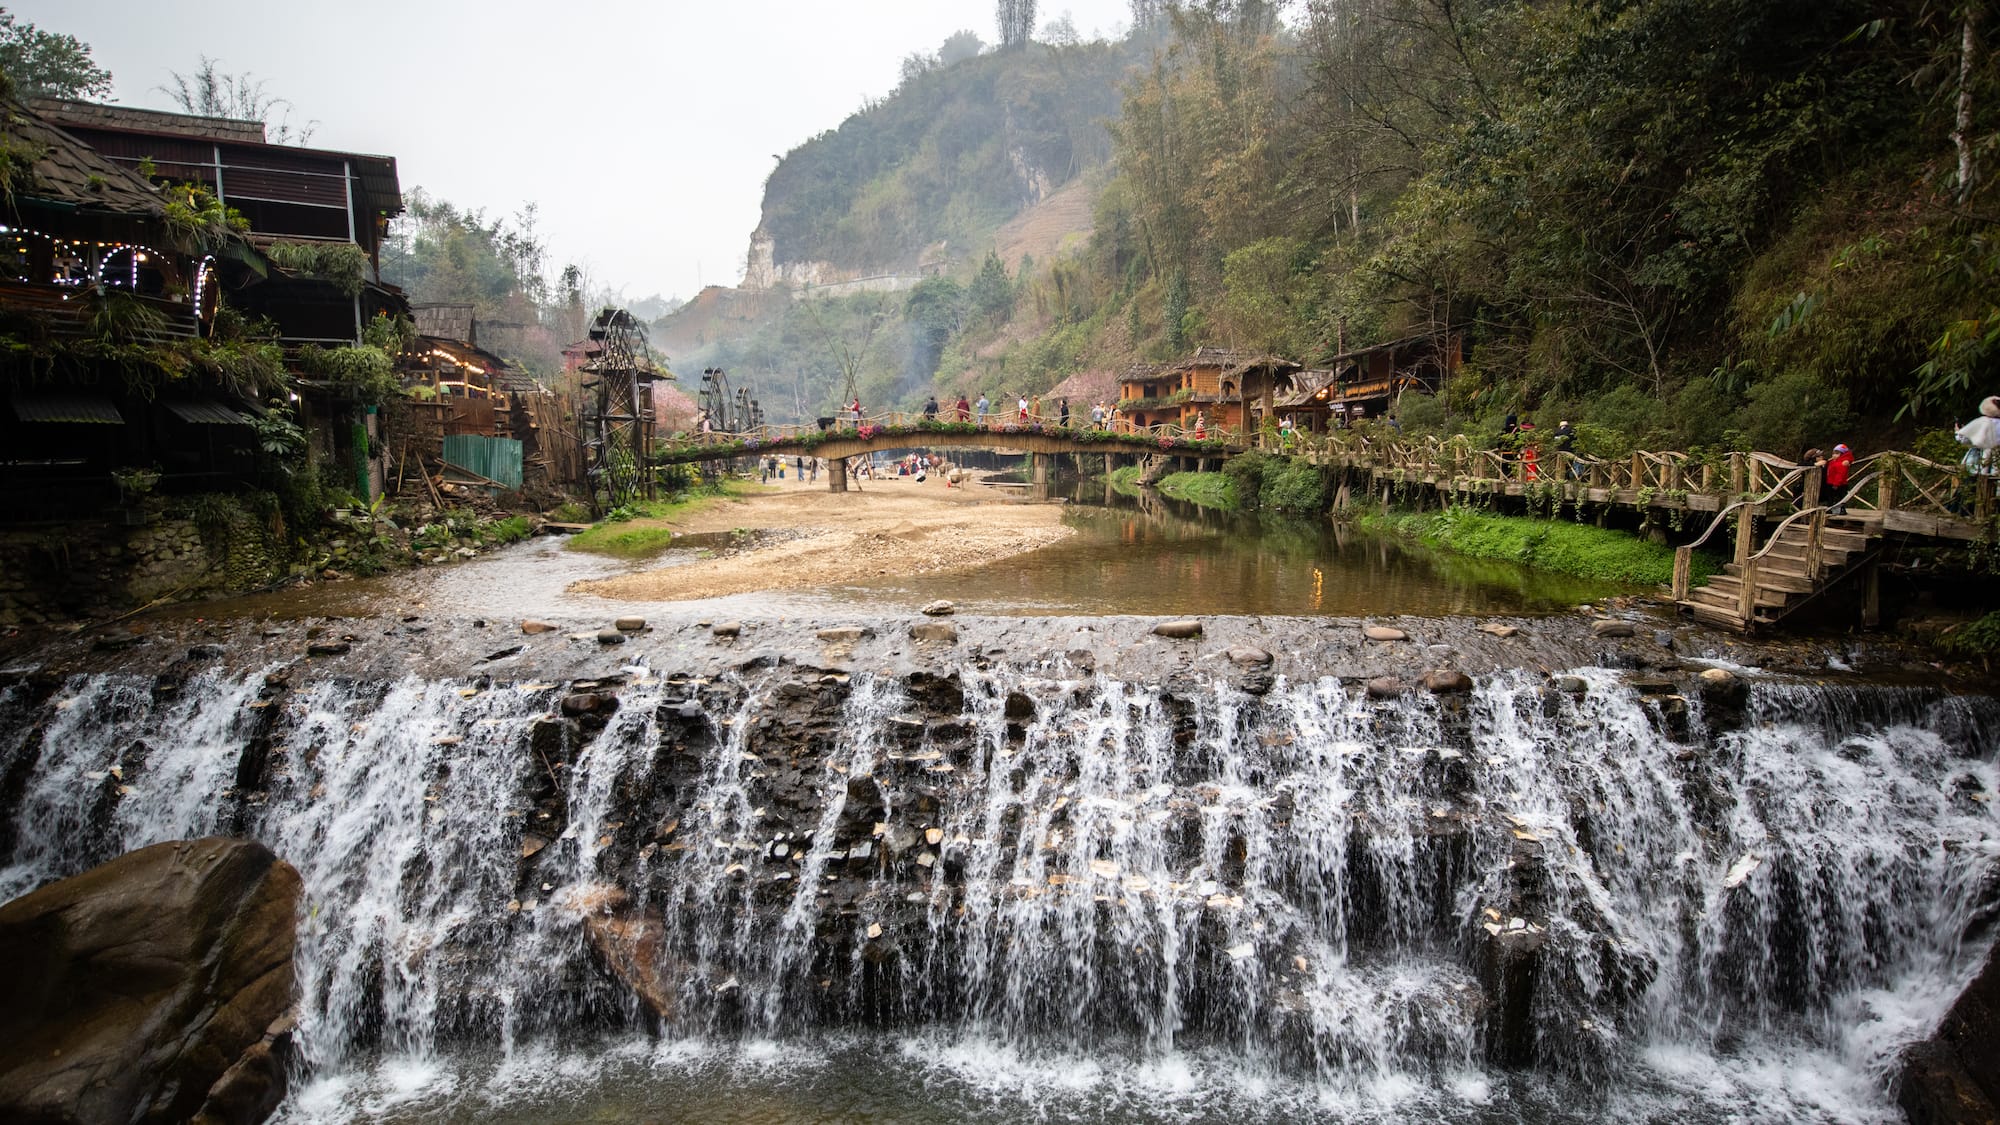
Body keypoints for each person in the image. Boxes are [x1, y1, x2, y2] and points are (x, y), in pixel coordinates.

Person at [1955, 396, 2000, 475]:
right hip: (1997, 460)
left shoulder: (1982, 422)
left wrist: (1957, 431)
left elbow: (1964, 439)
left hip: (1979, 458)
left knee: (1972, 478)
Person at [1825, 443, 1855, 514]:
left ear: (1842, 454)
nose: (1834, 455)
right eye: (1833, 453)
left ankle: (1842, 510)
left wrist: (1836, 484)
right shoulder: (1833, 462)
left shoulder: (1843, 463)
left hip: (1839, 483)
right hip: (1830, 482)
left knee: (1841, 497)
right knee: (1830, 497)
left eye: (1837, 453)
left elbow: (1840, 474)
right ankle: (1830, 508)